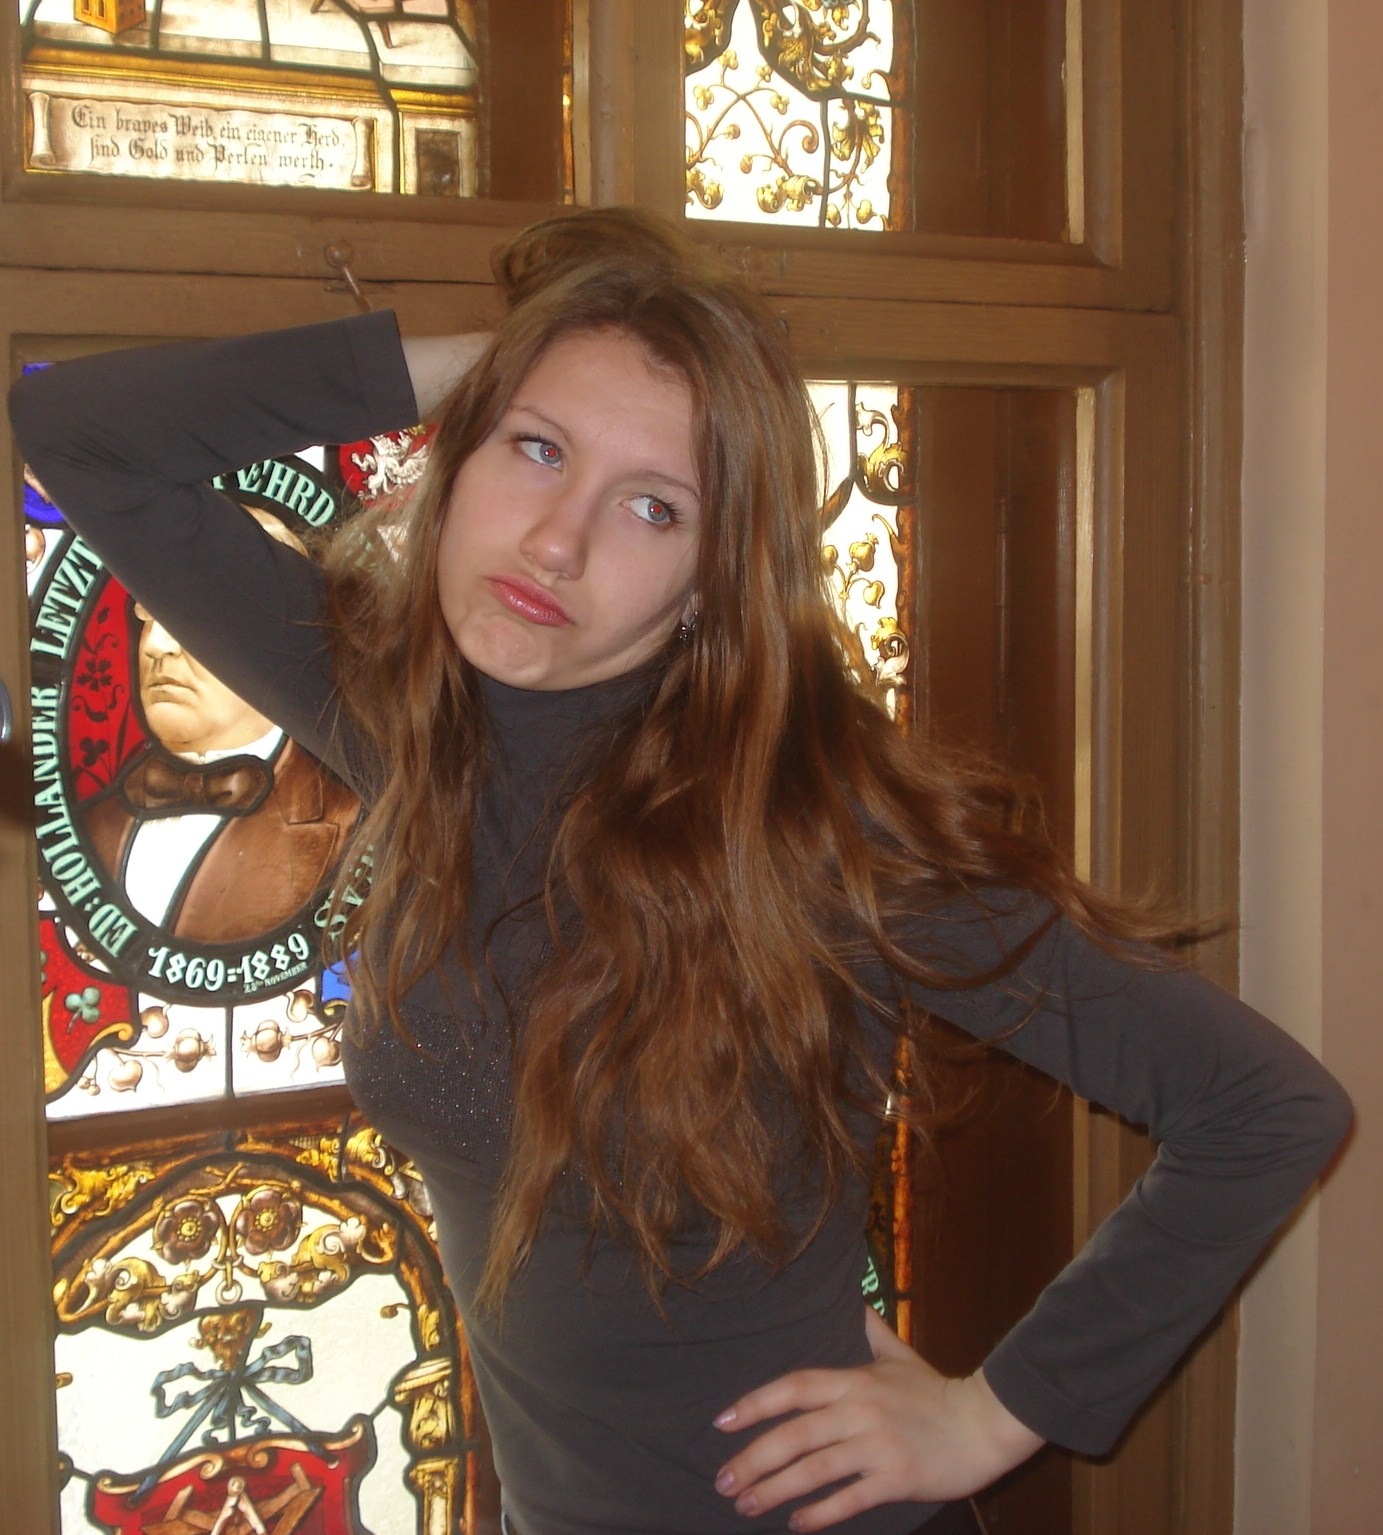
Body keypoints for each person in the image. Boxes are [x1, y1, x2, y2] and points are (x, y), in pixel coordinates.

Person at [10, 208, 1351, 1535]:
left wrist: (992, 1414)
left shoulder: (813, 833)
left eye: (652, 506)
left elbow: (1261, 1105)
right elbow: (79, 432)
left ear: (712, 581)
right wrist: (505, 353)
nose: (556, 540)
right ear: (456, 454)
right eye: (536, 447)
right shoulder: (401, 717)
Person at [80, 506, 359, 944]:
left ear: (282, 634)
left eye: (193, 619)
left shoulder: (350, 823)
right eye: (148, 614)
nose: (157, 645)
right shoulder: (97, 824)